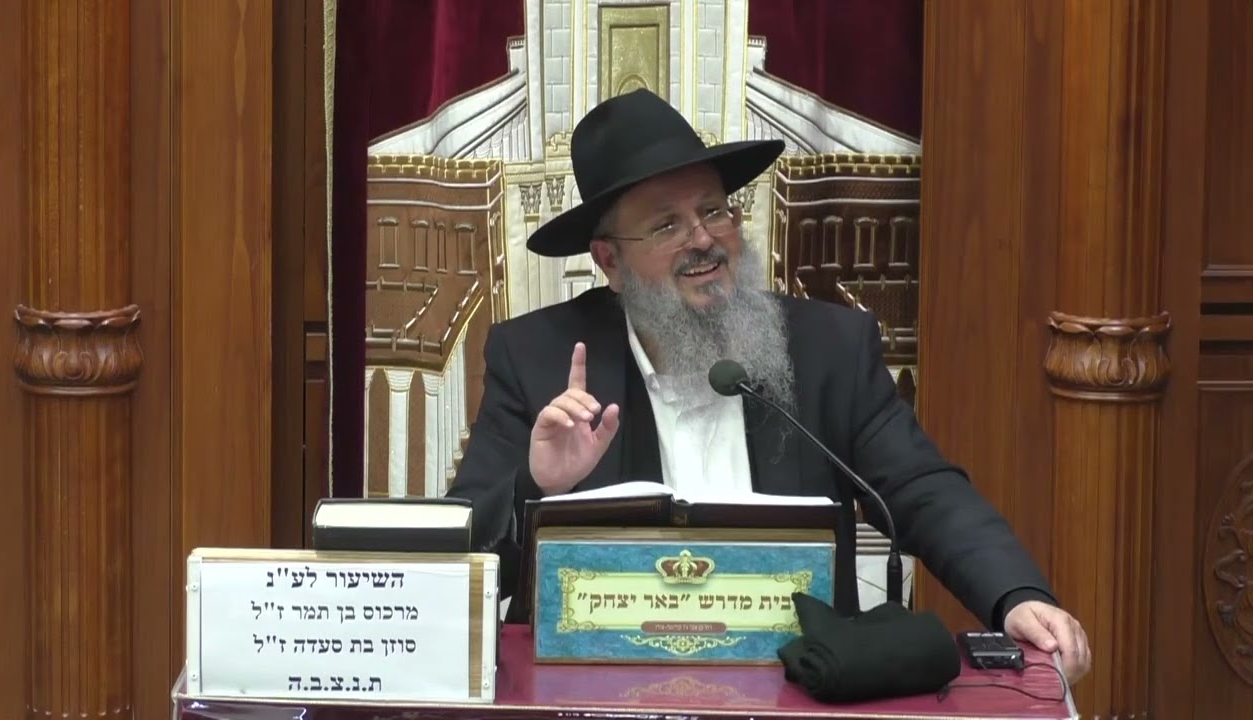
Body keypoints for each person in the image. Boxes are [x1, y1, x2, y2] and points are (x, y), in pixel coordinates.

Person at [445, 88, 1091, 683]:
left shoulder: (827, 347)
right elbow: (464, 548)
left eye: (713, 210)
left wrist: (1015, 595)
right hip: (601, 686)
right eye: (667, 226)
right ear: (609, 261)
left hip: (796, 684)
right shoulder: (537, 358)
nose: (704, 240)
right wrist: (539, 485)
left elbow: (922, 489)